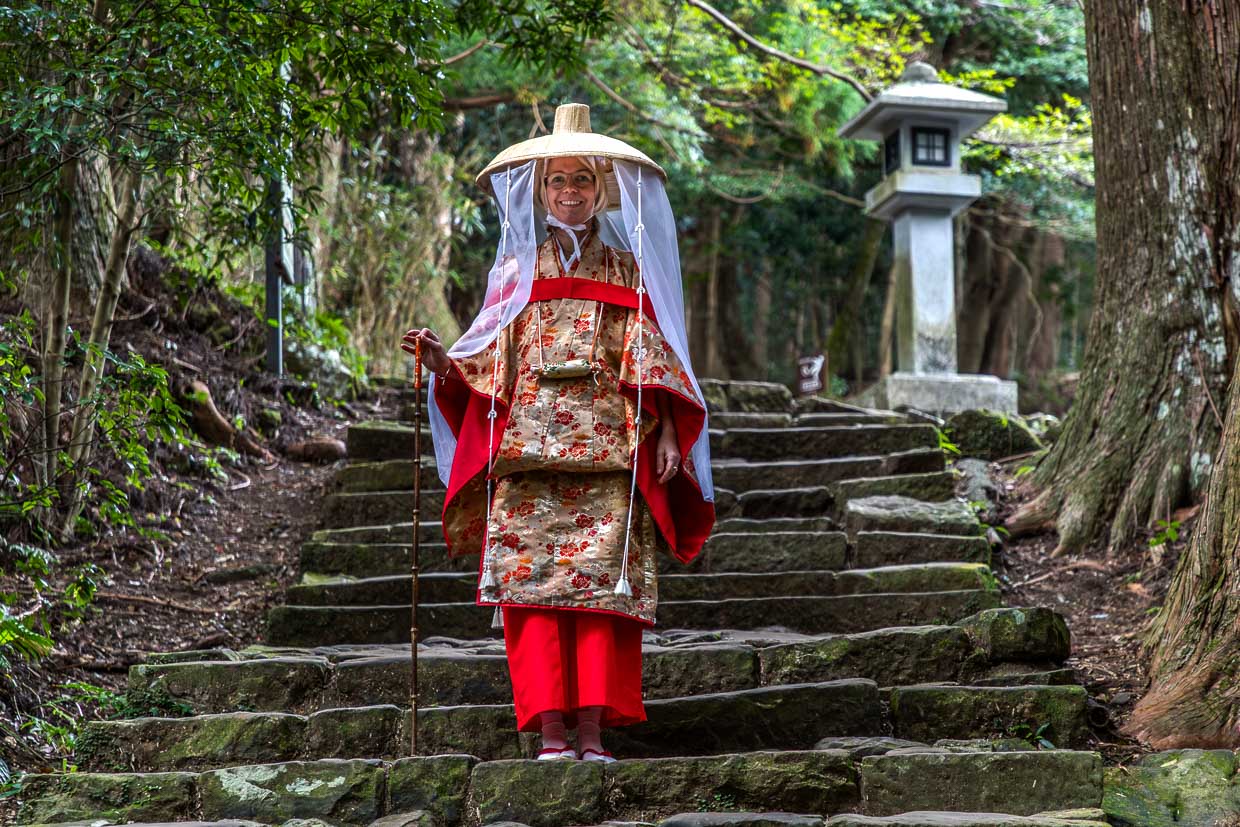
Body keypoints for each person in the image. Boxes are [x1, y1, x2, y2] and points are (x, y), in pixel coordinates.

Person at [402, 103, 714, 762]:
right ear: (541, 190)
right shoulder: (516, 274)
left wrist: (664, 436)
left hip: (611, 456)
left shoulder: (629, 273)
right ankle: (548, 731)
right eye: (555, 182)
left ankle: (594, 732)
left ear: (601, 189)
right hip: (526, 458)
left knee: (603, 596)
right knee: (532, 595)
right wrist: (441, 364)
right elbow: (487, 363)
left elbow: (653, 361)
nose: (568, 193)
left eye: (580, 181)